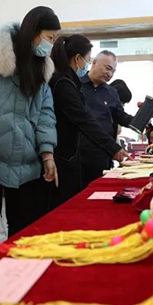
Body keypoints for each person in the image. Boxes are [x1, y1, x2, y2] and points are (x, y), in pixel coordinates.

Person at [0, 6, 58, 254]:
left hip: (26, 166)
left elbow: (45, 115)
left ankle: (17, 277)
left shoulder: (41, 68)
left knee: (23, 235)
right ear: (34, 32)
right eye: (50, 37)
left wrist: (47, 154)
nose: (51, 45)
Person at [48, 35, 128, 209]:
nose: (110, 74)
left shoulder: (72, 83)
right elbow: (84, 120)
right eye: (88, 60)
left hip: (87, 156)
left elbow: (119, 116)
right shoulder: (64, 84)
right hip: (65, 157)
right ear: (78, 59)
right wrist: (114, 148)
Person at [79, 50, 134, 188]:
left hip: (103, 154)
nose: (110, 74)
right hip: (78, 154)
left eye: (113, 71)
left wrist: (140, 121)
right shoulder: (76, 86)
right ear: (94, 63)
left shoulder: (112, 92)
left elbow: (120, 116)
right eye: (108, 68)